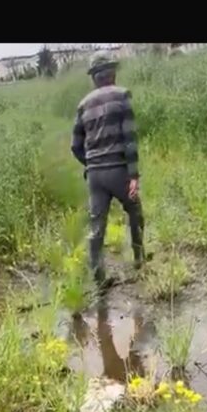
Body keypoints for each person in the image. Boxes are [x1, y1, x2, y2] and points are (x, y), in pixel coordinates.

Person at [71, 52, 145, 288]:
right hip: (119, 171)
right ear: (113, 74)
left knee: (96, 226)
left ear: (94, 78)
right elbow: (130, 140)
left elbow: (75, 146)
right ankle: (139, 259)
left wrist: (91, 164)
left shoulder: (83, 105)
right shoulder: (122, 96)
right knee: (135, 211)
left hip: (95, 175)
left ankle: (98, 279)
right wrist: (133, 176)